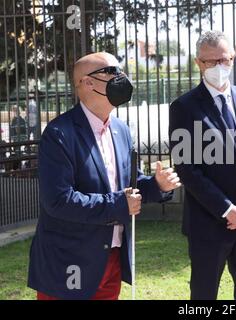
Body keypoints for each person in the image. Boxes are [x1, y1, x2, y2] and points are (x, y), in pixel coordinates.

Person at [28, 52, 181, 300]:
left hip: (111, 257)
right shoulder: (59, 134)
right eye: (111, 72)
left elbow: (129, 184)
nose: (120, 77)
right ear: (86, 83)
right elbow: (58, 200)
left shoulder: (120, 129)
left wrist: (156, 185)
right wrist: (120, 204)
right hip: (69, 261)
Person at [169, 30, 236, 300]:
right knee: (204, 295)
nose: (218, 67)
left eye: (223, 60)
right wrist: (227, 210)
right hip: (207, 224)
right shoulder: (184, 107)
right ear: (198, 63)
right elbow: (187, 169)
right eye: (210, 62)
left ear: (233, 59)